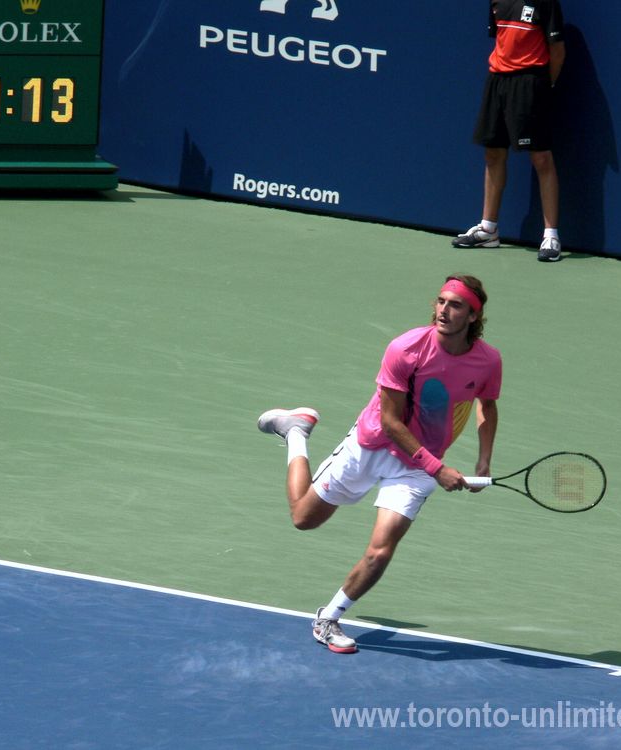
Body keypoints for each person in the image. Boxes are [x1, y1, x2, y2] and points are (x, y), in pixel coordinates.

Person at [257, 275, 502, 653]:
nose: (443, 310)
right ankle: (295, 433)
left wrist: (483, 459)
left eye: (454, 305)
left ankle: (329, 618)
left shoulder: (487, 361)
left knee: (380, 551)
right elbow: (391, 421)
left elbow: (487, 406)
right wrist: (438, 469)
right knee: (304, 518)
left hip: (415, 468)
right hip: (372, 444)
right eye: (440, 302)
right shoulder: (406, 349)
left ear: (473, 316)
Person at [453, 1, 567, 262]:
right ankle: (488, 230)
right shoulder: (497, 1)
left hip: (530, 83)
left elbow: (557, 50)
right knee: (493, 154)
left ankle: (551, 236)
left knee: (541, 158)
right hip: (497, 81)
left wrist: (543, 87)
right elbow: (502, 39)